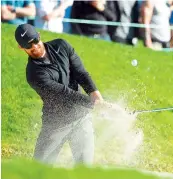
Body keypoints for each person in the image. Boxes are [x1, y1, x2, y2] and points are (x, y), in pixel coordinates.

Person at [14, 24, 108, 165]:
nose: (34, 47)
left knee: (84, 168)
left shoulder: (61, 45)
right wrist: (93, 104)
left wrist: (96, 96)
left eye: (35, 41)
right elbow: (65, 94)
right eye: (29, 46)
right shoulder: (33, 74)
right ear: (21, 48)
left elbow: (81, 73)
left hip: (81, 117)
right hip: (55, 124)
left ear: (39, 35)